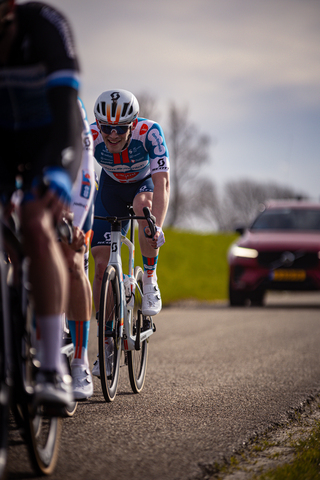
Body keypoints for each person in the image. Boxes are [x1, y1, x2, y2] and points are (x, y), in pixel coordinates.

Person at [0, 0, 83, 412]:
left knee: (35, 224)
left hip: (51, 140)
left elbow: (68, 108)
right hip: (4, 141)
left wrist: (59, 170)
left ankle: (53, 367)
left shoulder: (46, 25)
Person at [90, 89, 170, 376]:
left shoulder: (150, 133)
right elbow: (79, 178)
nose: (112, 135)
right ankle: (107, 341)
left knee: (144, 210)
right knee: (100, 266)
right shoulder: (91, 137)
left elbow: (162, 183)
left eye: (120, 128)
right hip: (109, 188)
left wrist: (156, 225)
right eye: (106, 127)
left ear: (132, 124)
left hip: (142, 186)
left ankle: (149, 278)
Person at [60, 98, 95, 401]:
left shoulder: (67, 101)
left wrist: (77, 227)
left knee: (72, 260)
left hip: (73, 186)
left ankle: (80, 361)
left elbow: (85, 172)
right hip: (25, 179)